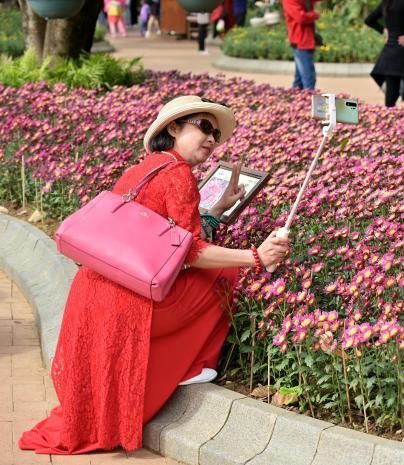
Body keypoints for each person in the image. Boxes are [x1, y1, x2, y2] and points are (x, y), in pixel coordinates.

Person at [18, 96, 290, 454]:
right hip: (127, 302)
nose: (211, 139)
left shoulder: (147, 167)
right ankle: (196, 366)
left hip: (91, 291)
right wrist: (256, 257)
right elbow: (190, 252)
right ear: (174, 127)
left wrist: (217, 208)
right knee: (225, 271)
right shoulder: (179, 175)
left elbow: (160, 234)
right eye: (204, 127)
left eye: (217, 135)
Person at [365, 0, 404, 112]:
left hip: (390, 51)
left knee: (391, 93)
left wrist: (383, 30)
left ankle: (389, 121)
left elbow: (369, 20)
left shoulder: (387, 2)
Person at [281, 0, 320, 90]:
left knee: (299, 81)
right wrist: (315, 14)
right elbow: (301, 17)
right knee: (309, 79)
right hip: (301, 41)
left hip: (306, 40)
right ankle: (307, 101)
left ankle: (294, 100)